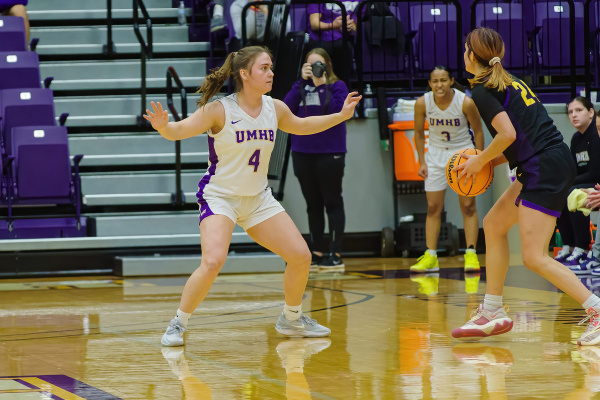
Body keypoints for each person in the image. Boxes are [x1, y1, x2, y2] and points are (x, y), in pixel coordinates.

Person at [143, 46, 361, 347]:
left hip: (258, 199)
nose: (271, 73)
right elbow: (179, 130)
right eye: (264, 68)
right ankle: (178, 324)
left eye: (271, 68)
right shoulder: (220, 109)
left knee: (301, 256)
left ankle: (292, 318)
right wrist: (163, 126)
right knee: (213, 261)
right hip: (221, 197)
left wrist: (341, 115)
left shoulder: (275, 107)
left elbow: (303, 126)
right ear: (244, 74)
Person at [450, 27, 600, 346]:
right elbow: (520, 141)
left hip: (543, 167)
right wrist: (489, 161)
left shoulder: (481, 89)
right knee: (493, 225)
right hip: (545, 161)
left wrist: (479, 162)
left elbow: (507, 136)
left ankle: (597, 310)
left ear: (470, 55)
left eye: (465, 49)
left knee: (533, 256)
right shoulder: (508, 80)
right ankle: (492, 311)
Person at [410, 65, 485, 273]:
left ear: (451, 81)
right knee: (433, 208)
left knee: (468, 205)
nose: (439, 85)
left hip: (462, 154)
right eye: (435, 81)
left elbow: (478, 131)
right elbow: (417, 134)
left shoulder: (465, 102)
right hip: (435, 154)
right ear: (429, 84)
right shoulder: (422, 103)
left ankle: (471, 253)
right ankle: (431, 256)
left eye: (443, 80)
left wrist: (478, 158)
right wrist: (422, 162)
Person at [283, 48, 348, 271]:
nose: (315, 69)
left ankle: (336, 253)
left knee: (332, 201)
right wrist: (301, 82)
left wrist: (321, 85)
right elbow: (285, 110)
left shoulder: (338, 87)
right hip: (302, 152)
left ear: (328, 64)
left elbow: (335, 111)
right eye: (310, 66)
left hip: (330, 152)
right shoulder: (299, 87)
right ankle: (316, 251)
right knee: (313, 205)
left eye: (319, 64)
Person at [554, 97, 600, 272]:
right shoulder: (576, 138)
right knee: (560, 191)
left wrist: (569, 183)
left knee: (573, 192)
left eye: (579, 110)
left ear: (591, 112)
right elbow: (573, 170)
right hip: (584, 181)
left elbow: (596, 173)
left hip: (596, 183)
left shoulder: (596, 135)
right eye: (570, 112)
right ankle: (569, 246)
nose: (574, 115)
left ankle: (583, 248)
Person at [306, 0, 358, 84]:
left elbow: (354, 26)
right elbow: (314, 24)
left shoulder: (357, 2)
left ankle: (342, 91)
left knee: (343, 48)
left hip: (342, 40)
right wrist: (334, 26)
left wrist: (349, 27)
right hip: (319, 39)